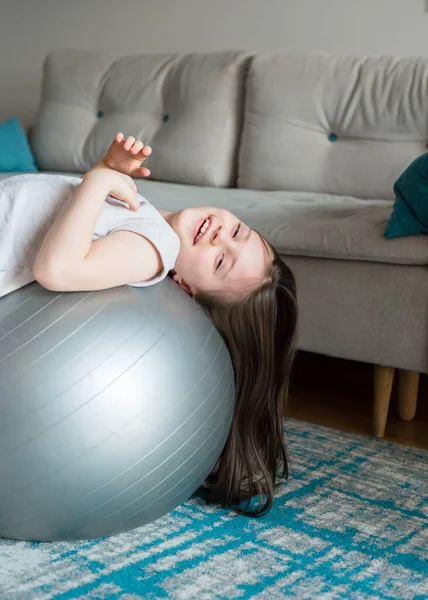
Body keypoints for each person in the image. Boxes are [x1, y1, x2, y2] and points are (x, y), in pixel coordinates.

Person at [0, 133, 298, 517]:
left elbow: (57, 268)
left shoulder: (155, 248)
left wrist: (98, 181)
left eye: (221, 261)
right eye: (239, 231)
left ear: (188, 288)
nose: (221, 235)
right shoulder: (148, 223)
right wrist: (104, 171)